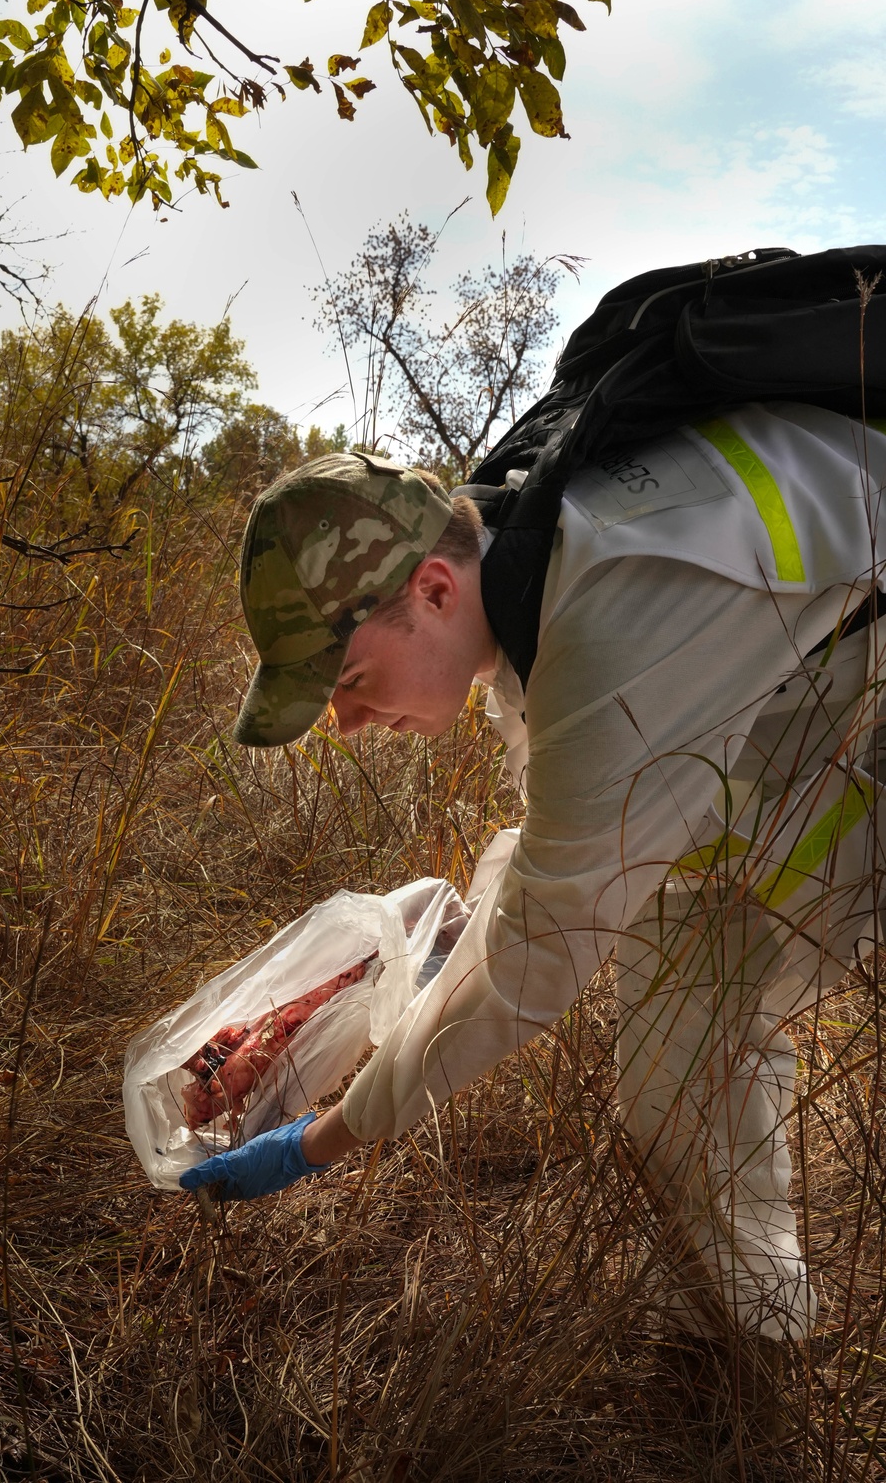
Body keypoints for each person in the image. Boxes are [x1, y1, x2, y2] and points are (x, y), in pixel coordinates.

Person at [180, 410, 886, 1411]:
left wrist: (319, 1141)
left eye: (345, 681)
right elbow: (571, 847)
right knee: (673, 1059)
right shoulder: (529, 560)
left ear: (430, 589)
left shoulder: (609, 614)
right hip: (811, 744)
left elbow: (538, 958)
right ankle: (754, 1343)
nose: (342, 724)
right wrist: (407, 962)